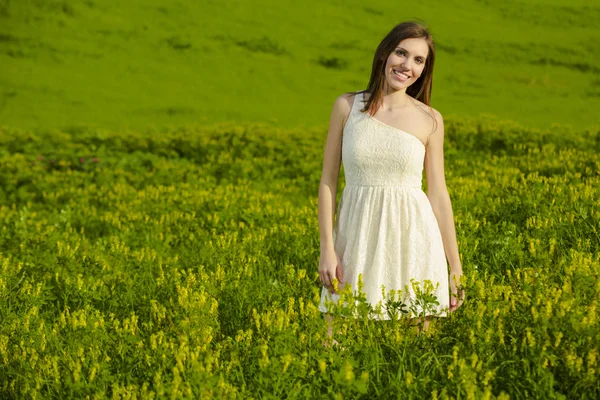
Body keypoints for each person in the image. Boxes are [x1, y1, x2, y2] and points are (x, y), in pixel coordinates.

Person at [317, 21, 465, 345]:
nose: (406, 65)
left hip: (416, 243)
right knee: (334, 346)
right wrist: (327, 248)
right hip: (354, 242)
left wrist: (455, 267)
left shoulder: (431, 119)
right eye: (401, 53)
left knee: (413, 355)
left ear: (424, 70)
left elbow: (438, 194)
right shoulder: (347, 107)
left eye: (418, 60)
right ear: (385, 52)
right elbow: (328, 181)